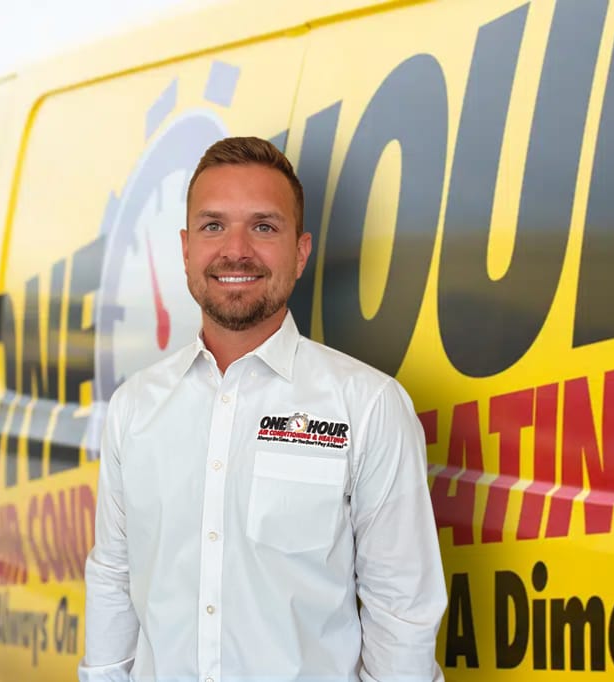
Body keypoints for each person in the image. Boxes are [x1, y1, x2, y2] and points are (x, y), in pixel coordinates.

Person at [79, 136, 447, 682]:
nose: (236, 250)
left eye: (263, 226)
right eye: (213, 226)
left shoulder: (367, 407)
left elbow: (403, 611)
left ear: (300, 253)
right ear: (185, 249)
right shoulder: (135, 408)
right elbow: (113, 575)